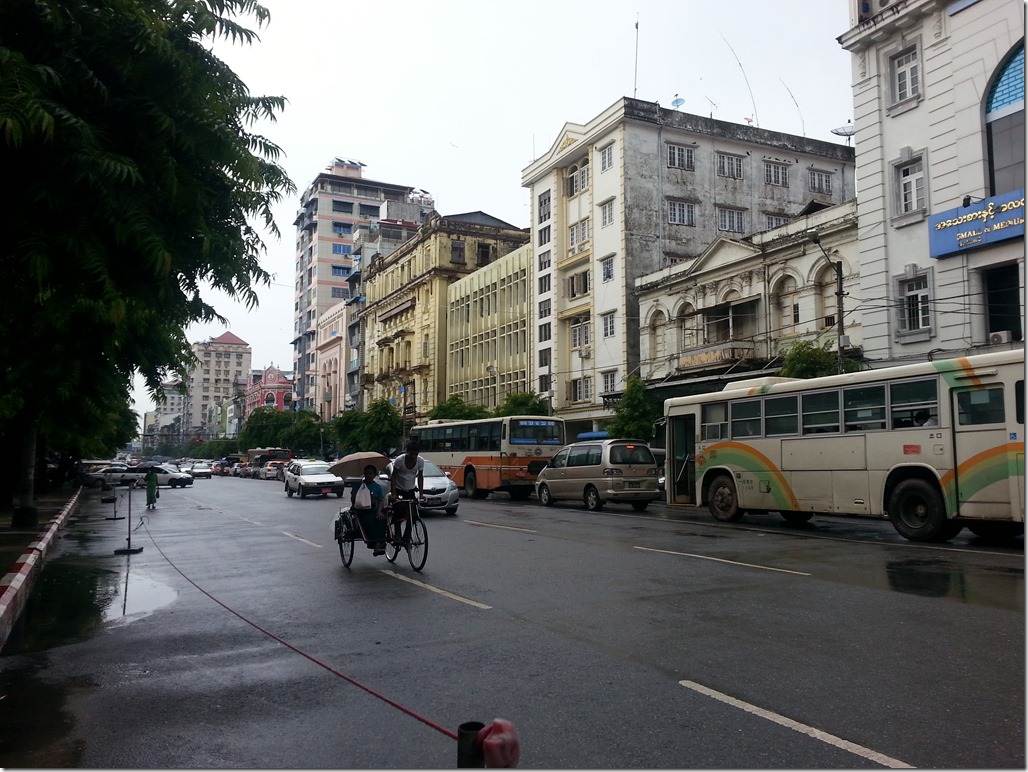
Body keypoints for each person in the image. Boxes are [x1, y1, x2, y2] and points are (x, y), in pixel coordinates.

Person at [389, 441, 425, 545]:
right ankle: (397, 535)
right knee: (399, 511)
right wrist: (394, 493)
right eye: (411, 454)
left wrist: (421, 494)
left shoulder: (420, 461)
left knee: (413, 515)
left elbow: (420, 477)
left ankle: (406, 537)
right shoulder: (399, 460)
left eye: (415, 454)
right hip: (399, 489)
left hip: (410, 490)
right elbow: (394, 477)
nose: (413, 456)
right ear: (407, 452)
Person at [351, 464, 387, 555]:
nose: (368, 475)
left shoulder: (377, 487)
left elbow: (381, 500)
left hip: (374, 510)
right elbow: (353, 499)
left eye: (370, 473)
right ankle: (375, 544)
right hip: (362, 511)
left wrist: (379, 511)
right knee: (369, 522)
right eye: (366, 473)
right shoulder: (359, 485)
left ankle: (378, 543)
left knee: (382, 520)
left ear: (374, 475)